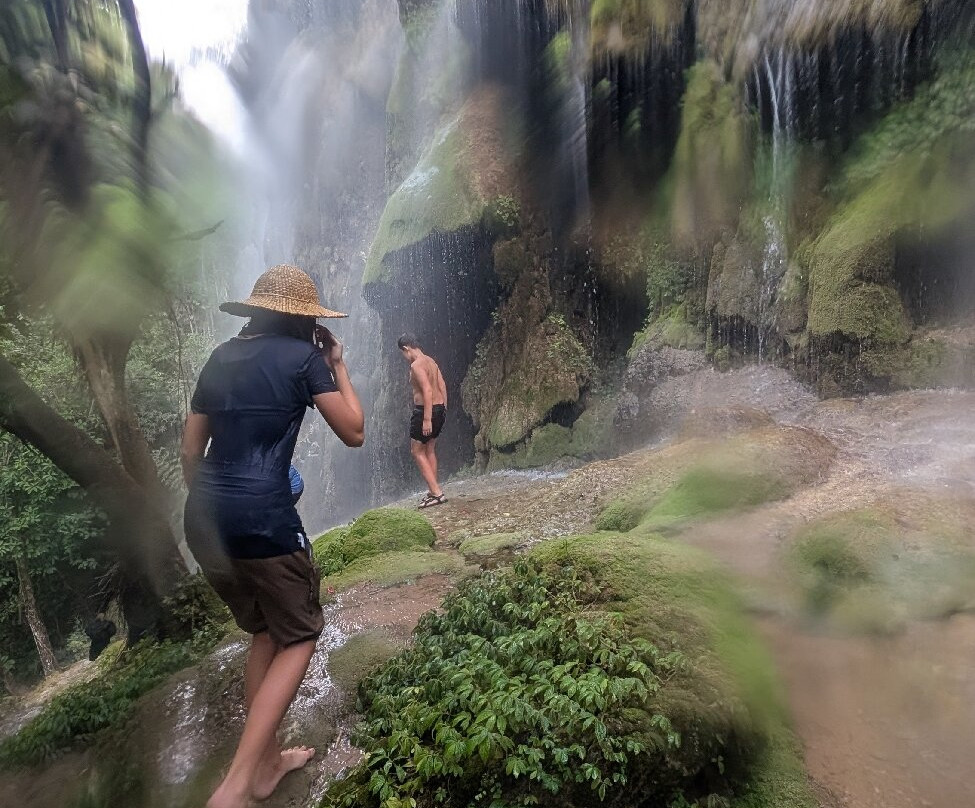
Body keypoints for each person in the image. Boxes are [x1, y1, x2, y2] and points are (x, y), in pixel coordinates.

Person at [180, 264, 364, 808]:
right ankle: (236, 786)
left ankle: (265, 764)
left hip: (205, 520)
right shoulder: (306, 359)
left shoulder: (218, 358)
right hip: (264, 520)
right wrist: (337, 365)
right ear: (305, 319)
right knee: (302, 633)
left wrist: (215, 507)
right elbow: (354, 431)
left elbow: (191, 453)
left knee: (265, 629)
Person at [397, 333, 447, 508]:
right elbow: (442, 385)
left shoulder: (417, 365)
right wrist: (443, 409)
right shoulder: (431, 361)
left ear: (406, 348)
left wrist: (426, 419)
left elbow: (427, 390)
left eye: (402, 354)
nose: (404, 357)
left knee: (417, 451)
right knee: (430, 449)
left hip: (425, 411)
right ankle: (433, 491)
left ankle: (437, 493)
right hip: (439, 408)